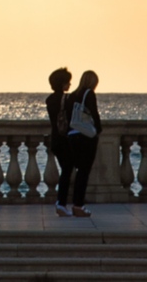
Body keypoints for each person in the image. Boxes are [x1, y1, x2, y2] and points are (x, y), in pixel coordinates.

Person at [58, 70, 102, 216]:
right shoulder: (88, 94)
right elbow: (94, 114)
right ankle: (78, 205)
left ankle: (62, 203)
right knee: (83, 172)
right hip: (84, 136)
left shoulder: (72, 96)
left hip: (71, 136)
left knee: (72, 171)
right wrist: (98, 129)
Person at [44, 68, 72, 216]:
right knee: (67, 171)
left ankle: (61, 202)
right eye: (68, 81)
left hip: (55, 139)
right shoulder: (66, 100)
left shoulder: (50, 100)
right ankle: (61, 202)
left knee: (66, 170)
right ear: (62, 83)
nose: (70, 84)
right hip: (65, 139)